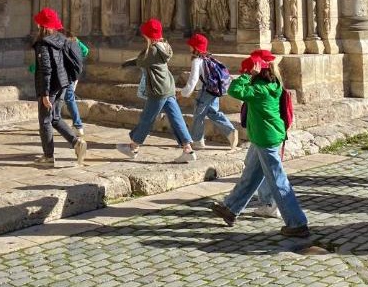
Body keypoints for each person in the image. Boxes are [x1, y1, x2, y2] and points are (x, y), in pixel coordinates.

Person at [209, 51, 310, 238]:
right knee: (251, 175)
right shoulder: (273, 84)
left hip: (266, 139)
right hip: (262, 138)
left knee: (278, 181)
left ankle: (297, 223)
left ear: (258, 71)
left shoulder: (260, 90)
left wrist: (247, 75)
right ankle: (231, 209)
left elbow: (234, 90)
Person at [115, 19, 197, 162]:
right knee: (176, 118)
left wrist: (128, 62)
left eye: (145, 35)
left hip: (158, 90)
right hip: (168, 87)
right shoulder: (164, 46)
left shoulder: (152, 50)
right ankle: (188, 150)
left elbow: (141, 60)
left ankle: (133, 147)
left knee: (147, 119)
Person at [31, 8, 87, 167]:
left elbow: (46, 70)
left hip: (51, 86)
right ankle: (77, 143)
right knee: (55, 117)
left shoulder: (43, 43)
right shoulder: (62, 39)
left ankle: (48, 156)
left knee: (45, 121)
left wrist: (45, 93)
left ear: (41, 25)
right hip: (64, 83)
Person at [182, 32, 239, 150]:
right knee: (213, 113)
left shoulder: (196, 61)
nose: (189, 47)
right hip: (214, 91)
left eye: (191, 45)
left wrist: (184, 93)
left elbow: (193, 80)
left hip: (205, 91)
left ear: (195, 47)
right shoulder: (209, 57)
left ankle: (197, 141)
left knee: (198, 115)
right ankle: (230, 131)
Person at [60, 28, 89, 137]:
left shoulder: (61, 41)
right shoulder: (75, 41)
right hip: (74, 73)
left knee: (63, 98)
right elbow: (86, 50)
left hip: (63, 73)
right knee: (69, 98)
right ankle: (78, 126)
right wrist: (77, 59)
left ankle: (77, 125)